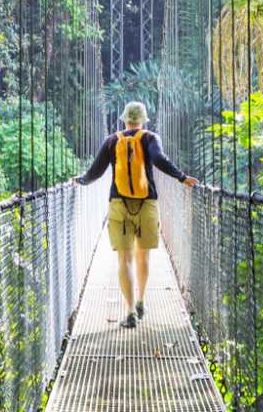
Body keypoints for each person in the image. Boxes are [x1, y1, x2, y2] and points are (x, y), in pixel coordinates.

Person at [74, 102, 197, 329]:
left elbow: (96, 171)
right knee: (144, 256)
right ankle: (141, 302)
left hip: (119, 203)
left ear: (124, 120)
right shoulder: (150, 138)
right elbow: (159, 160)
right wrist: (181, 177)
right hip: (146, 203)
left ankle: (130, 312)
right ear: (143, 120)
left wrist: (81, 180)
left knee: (124, 259)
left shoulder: (112, 141)